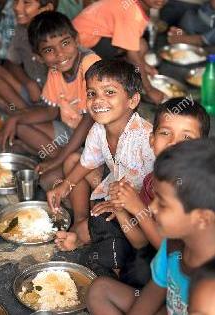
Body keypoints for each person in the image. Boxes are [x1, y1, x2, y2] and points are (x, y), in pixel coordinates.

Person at [86, 138, 215, 315]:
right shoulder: (172, 247)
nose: (152, 208)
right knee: (99, 290)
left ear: (202, 218)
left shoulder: (210, 293)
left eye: (162, 204)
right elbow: (151, 296)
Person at [47, 60, 155, 269]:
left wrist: (122, 207)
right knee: (72, 162)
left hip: (138, 208)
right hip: (114, 189)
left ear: (132, 101)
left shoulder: (146, 138)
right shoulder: (98, 129)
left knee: (99, 224)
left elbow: (156, 190)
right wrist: (64, 186)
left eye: (110, 92)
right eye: (92, 93)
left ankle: (81, 236)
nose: (98, 100)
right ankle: (81, 219)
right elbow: (87, 163)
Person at [0, 11, 100, 189]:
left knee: (47, 181)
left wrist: (58, 160)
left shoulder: (90, 64)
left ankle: (62, 159)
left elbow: (89, 118)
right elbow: (51, 111)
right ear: (39, 57)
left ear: (77, 40)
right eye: (49, 50)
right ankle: (63, 158)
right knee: (20, 126)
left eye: (65, 43)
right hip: (71, 132)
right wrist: (15, 118)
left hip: (97, 139)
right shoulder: (55, 71)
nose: (60, 54)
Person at [99, 97, 210, 249]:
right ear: (152, 140)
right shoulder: (151, 180)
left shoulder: (196, 192)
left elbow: (170, 251)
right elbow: (142, 242)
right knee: (102, 223)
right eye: (165, 133)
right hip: (156, 259)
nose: (173, 143)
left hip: (182, 268)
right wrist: (121, 208)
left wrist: (137, 208)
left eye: (186, 137)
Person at [72, 0, 167, 104]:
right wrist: (150, 90)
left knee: (141, 45)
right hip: (80, 46)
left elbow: (133, 41)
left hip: (90, 36)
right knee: (132, 57)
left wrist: (144, 65)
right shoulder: (131, 12)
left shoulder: (136, 6)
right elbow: (133, 56)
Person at [0, 0, 58, 114]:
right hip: (32, 94)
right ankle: (25, 113)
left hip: (55, 102)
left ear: (46, 8)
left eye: (26, 3)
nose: (17, 8)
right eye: (16, 2)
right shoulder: (20, 29)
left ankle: (24, 115)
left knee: (22, 128)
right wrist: (29, 83)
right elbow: (12, 63)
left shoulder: (56, 35)